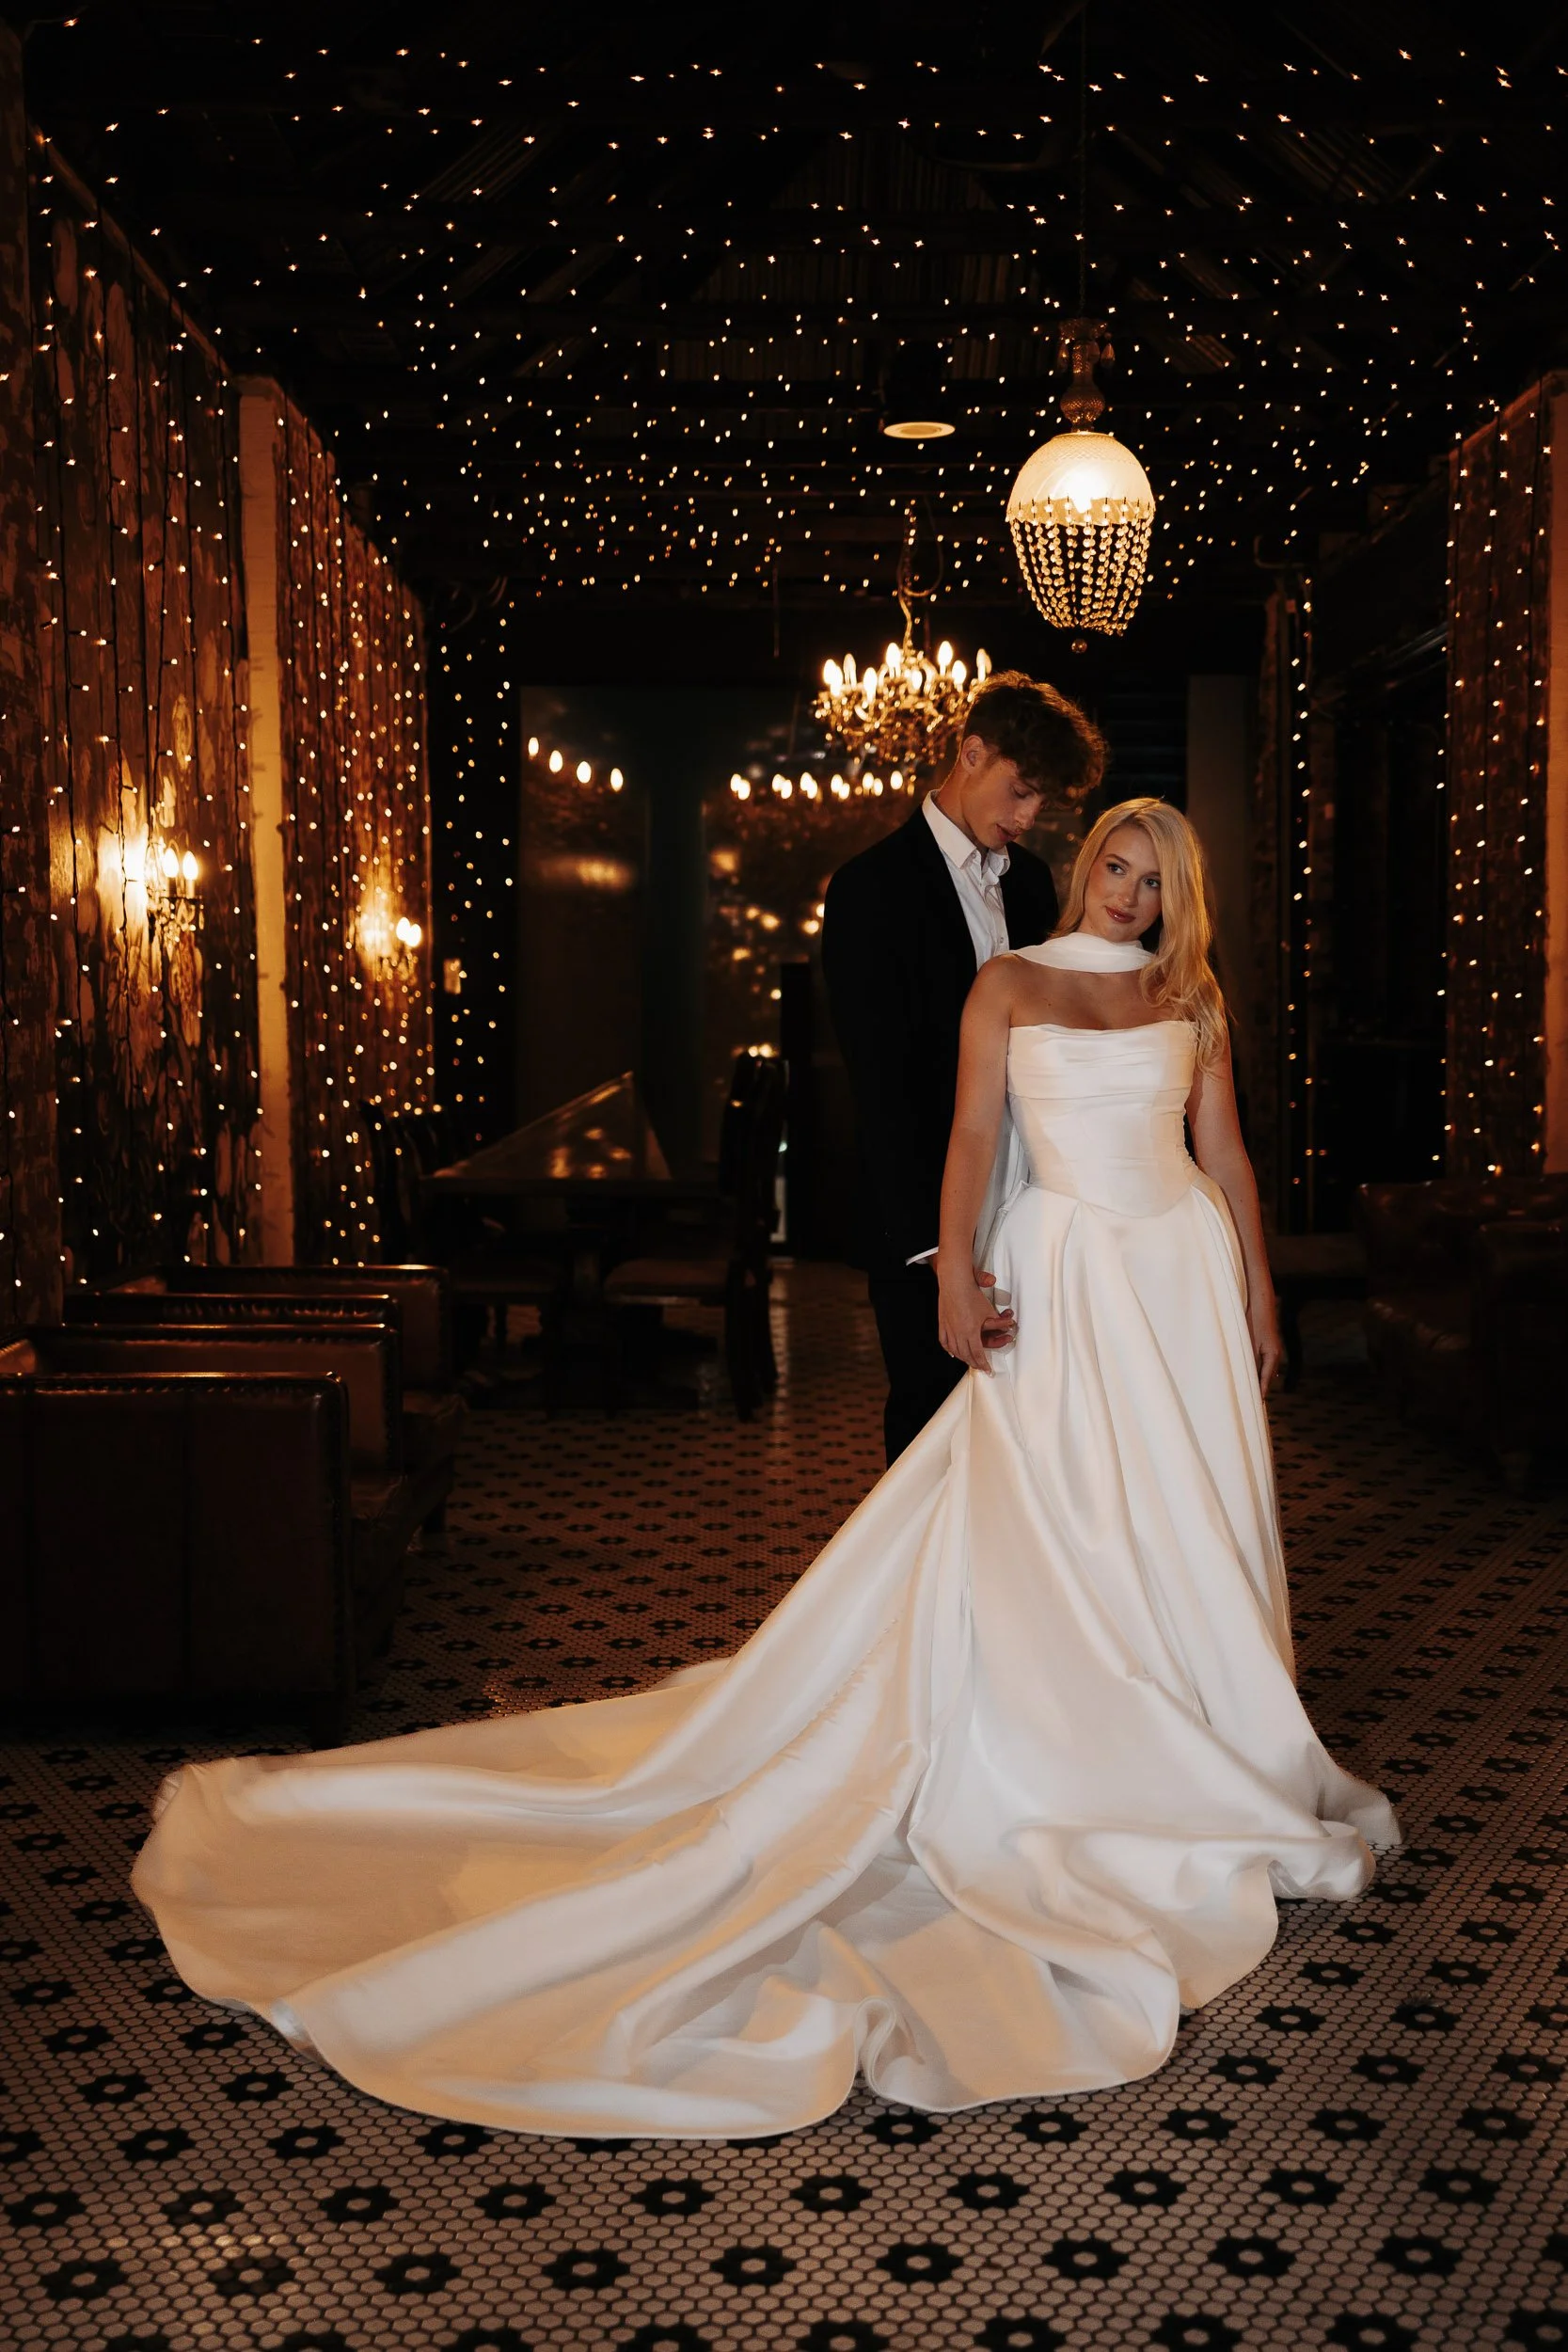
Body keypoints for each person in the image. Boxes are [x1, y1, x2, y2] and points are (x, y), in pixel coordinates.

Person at [132, 797, 1398, 2143]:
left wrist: (1256, 1296)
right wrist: (954, 1282)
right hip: (1062, 1277)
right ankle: (1076, 1738)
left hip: (1177, 1281)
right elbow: (970, 1143)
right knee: (1059, 1519)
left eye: (1153, 882)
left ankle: (1205, 1725)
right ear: (1083, 867)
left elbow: (1227, 1159)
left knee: (1186, 1521)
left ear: (1175, 897)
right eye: (1113, 867)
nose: (1128, 895)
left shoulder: (1185, 998)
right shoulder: (1007, 982)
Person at [821, 672, 1099, 1463]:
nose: (1027, 818)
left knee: (1031, 1435)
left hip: (1036, 1206)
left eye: (1041, 802)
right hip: (925, 1224)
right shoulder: (869, 889)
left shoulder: (1037, 884)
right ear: (970, 753)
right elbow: (882, 1088)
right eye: (1018, 792)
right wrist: (940, 1257)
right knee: (932, 1434)